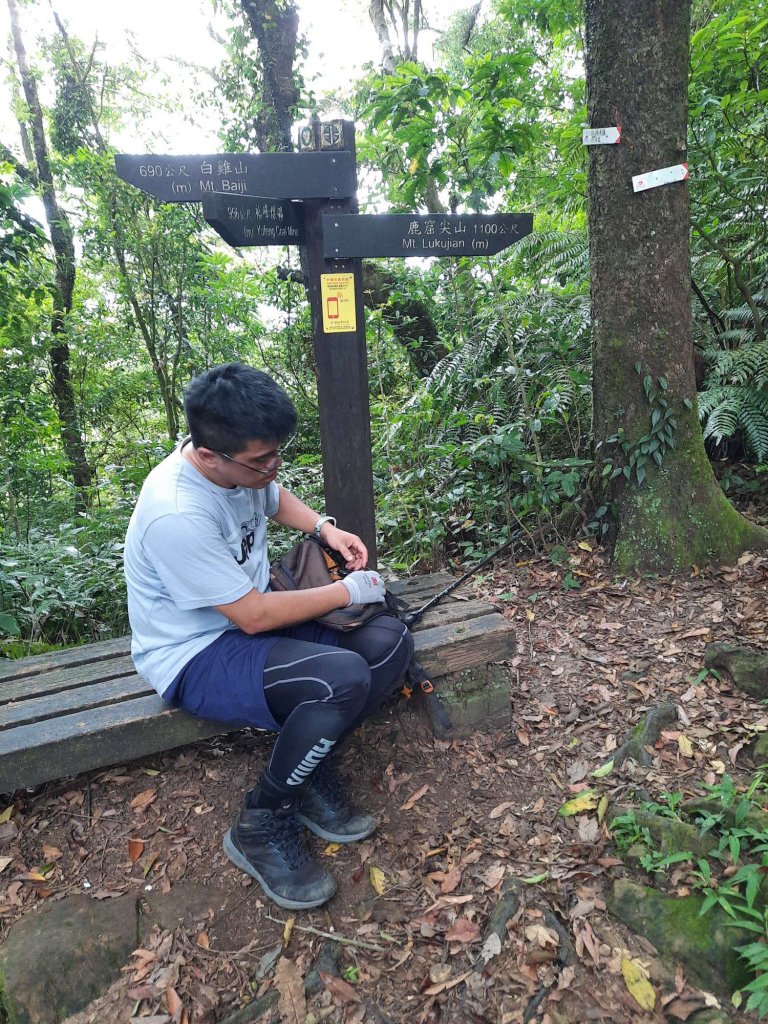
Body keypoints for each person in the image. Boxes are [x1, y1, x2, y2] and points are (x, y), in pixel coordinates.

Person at [124, 362, 414, 910]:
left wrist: (325, 529)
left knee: (389, 644)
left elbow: (272, 496)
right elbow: (252, 616)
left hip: (251, 618)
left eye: (276, 453)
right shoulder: (177, 513)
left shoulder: (241, 470)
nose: (273, 468)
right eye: (262, 460)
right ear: (208, 453)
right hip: (195, 652)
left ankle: (306, 772)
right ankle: (262, 819)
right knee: (341, 679)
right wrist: (348, 591)